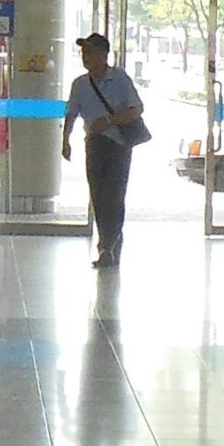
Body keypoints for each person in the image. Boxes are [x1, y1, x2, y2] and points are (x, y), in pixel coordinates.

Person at [62, 31, 146, 269]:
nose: (85, 57)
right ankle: (107, 241)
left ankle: (108, 245)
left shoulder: (119, 79)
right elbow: (71, 112)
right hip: (94, 143)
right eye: (83, 53)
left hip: (118, 143)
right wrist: (65, 139)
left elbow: (137, 109)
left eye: (89, 52)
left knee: (115, 194)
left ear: (103, 55)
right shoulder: (80, 84)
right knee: (98, 194)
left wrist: (109, 121)